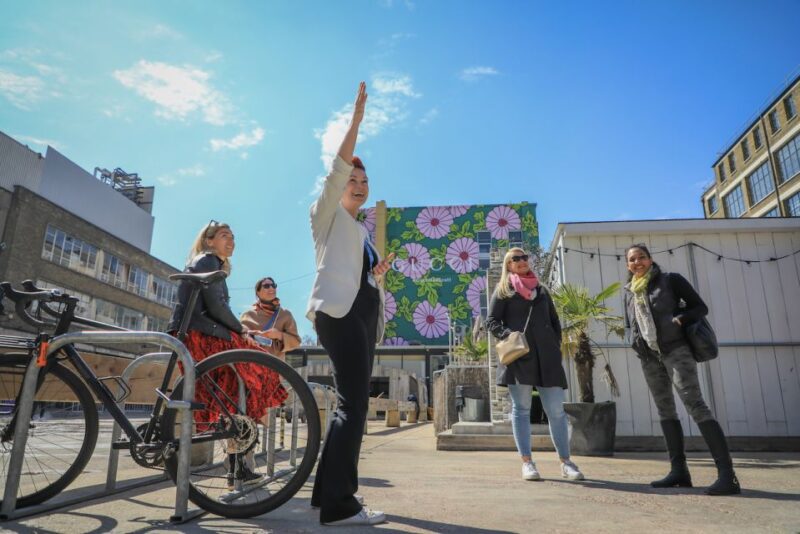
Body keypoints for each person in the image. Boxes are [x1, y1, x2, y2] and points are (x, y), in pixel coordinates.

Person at [306, 82, 393, 526]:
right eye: (352, 180)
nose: (358, 185)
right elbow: (338, 168)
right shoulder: (325, 213)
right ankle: (342, 505)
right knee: (353, 406)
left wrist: (375, 277)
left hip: (361, 313)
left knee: (351, 404)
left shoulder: (359, 231)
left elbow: (357, 275)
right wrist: (356, 122)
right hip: (338, 313)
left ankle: (326, 496)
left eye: (365, 181)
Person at [167, 220, 288, 490]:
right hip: (200, 336)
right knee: (262, 369)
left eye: (233, 236)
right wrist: (241, 330)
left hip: (203, 334)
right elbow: (217, 308)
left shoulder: (212, 264)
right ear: (209, 240)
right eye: (224, 236)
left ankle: (238, 462)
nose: (231, 240)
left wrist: (237, 331)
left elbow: (216, 309)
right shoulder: (207, 261)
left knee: (235, 394)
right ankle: (242, 449)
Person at [624, 243, 740, 495]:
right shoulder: (629, 292)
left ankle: (727, 476)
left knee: (695, 404)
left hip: (676, 350)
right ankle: (679, 472)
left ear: (650, 259)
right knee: (665, 410)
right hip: (649, 357)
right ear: (628, 265)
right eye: (632, 260)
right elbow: (630, 325)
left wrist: (681, 318)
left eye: (641, 257)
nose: (637, 263)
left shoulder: (670, 280)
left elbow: (700, 307)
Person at [486, 247, 584, 482]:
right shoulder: (503, 291)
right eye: (515, 258)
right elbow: (491, 321)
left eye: (524, 257)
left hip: (547, 358)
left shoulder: (541, 291)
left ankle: (566, 462)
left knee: (557, 412)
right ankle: (527, 463)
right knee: (521, 410)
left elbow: (554, 320)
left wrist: (553, 342)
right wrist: (510, 334)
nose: (521, 261)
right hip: (520, 357)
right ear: (508, 265)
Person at [240, 276, 301, 358]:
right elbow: (240, 334)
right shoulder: (247, 315)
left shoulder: (285, 315)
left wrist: (278, 335)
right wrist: (250, 335)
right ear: (258, 292)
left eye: (273, 285)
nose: (271, 288)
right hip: (252, 364)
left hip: (275, 366)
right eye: (266, 286)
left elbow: (296, 342)